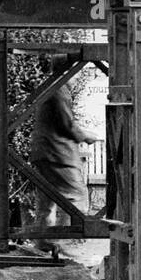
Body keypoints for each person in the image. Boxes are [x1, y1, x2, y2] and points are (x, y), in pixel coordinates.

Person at [30, 82, 100, 253]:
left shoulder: (48, 87)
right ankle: (63, 244)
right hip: (58, 153)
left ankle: (44, 242)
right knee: (77, 198)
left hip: (44, 151)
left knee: (47, 201)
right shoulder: (59, 89)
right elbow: (67, 124)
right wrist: (86, 136)